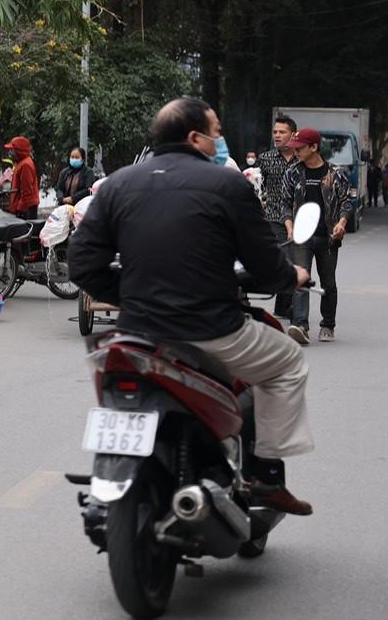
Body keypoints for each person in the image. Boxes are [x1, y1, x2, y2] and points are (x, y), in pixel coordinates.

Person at [70, 97, 314, 515]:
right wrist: (292, 276)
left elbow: (82, 264)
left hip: (137, 331)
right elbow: (264, 264)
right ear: (195, 138)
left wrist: (131, 294)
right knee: (288, 361)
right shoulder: (228, 185)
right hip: (211, 328)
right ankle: (265, 474)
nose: (220, 140)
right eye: (216, 132)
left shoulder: (118, 185)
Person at [283, 128, 352, 345]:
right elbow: (285, 203)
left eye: (300, 148)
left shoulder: (336, 174)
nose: (296, 152)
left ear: (314, 147)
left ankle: (328, 324)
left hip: (328, 238)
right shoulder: (292, 173)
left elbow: (346, 203)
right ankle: (301, 325)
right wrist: (290, 227)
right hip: (301, 238)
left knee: (328, 283)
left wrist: (341, 224)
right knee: (300, 280)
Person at [258, 115, 299, 320]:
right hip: (274, 217)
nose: (277, 135)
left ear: (293, 135)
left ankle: (283, 305)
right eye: (275, 132)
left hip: (299, 218)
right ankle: (288, 305)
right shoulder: (265, 159)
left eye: (282, 132)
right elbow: (257, 185)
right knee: (286, 258)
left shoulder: (303, 159)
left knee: (296, 261)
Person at [4, 136, 39, 219]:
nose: (11, 152)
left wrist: (20, 210)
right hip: (24, 207)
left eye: (12, 150)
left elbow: (27, 192)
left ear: (18, 151)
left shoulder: (25, 165)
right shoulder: (21, 163)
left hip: (26, 209)